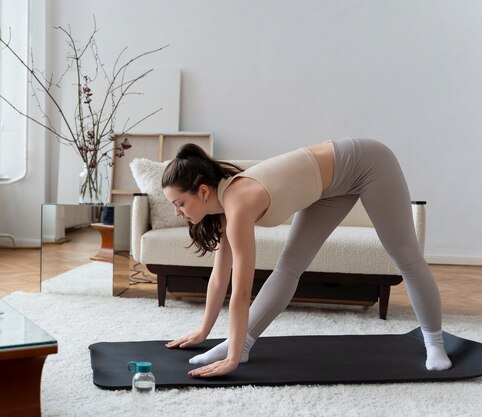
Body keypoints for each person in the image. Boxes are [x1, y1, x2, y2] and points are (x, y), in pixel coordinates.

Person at [161, 138, 452, 378]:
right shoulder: (224, 206)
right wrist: (203, 331)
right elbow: (219, 276)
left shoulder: (238, 203)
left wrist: (232, 360)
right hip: (329, 187)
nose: (178, 213)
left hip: (368, 163)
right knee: (290, 265)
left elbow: (241, 290)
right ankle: (243, 343)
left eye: (180, 204)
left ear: (201, 191)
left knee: (406, 256)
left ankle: (435, 343)